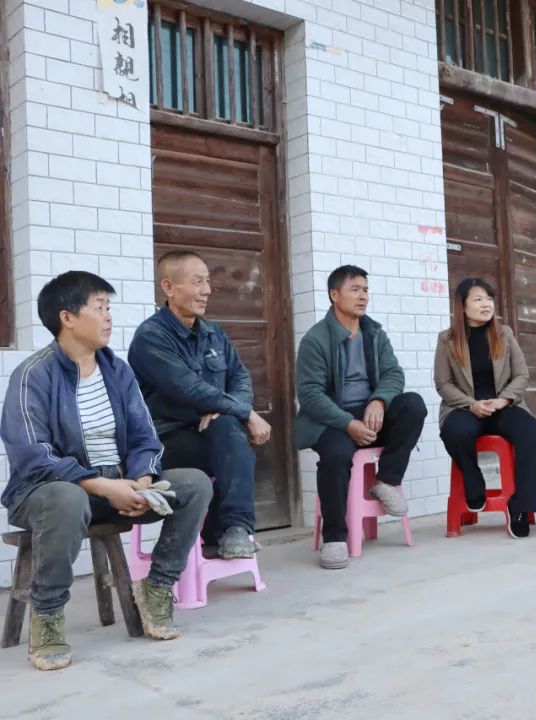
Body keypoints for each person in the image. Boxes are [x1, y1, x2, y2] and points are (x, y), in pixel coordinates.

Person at [0, 271, 212, 671]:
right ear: (67, 317)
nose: (109, 317)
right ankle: (47, 616)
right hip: (46, 492)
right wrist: (102, 486)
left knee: (194, 484)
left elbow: (145, 438)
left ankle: (157, 588)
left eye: (109, 307)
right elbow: (32, 455)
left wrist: (142, 481)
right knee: (67, 497)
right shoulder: (33, 375)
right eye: (99, 308)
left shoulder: (118, 371)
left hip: (117, 484)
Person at [128, 250, 270, 560]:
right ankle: (226, 531)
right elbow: (188, 388)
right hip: (167, 440)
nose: (206, 290)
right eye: (197, 282)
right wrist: (244, 412)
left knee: (228, 430)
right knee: (232, 443)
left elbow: (240, 377)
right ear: (169, 287)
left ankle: (234, 530)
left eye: (207, 282)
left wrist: (227, 408)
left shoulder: (213, 333)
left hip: (210, 431)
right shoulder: (151, 337)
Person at [294, 265, 428, 569]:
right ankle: (335, 537)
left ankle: (386, 480)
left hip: (370, 413)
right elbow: (310, 395)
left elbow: (393, 373)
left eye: (365, 290)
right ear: (334, 295)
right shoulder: (316, 339)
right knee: (336, 455)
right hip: (332, 419)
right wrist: (347, 423)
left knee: (413, 405)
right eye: (355, 290)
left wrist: (379, 401)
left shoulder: (374, 333)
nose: (363, 296)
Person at [434, 278, 536, 538]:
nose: (486, 304)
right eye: (478, 299)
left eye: (489, 299)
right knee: (455, 431)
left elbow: (522, 375)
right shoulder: (447, 339)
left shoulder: (504, 334)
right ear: (462, 306)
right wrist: (471, 404)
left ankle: (521, 506)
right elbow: (443, 383)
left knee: (531, 432)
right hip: (465, 408)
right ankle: (473, 480)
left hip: (502, 406)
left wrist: (503, 400)